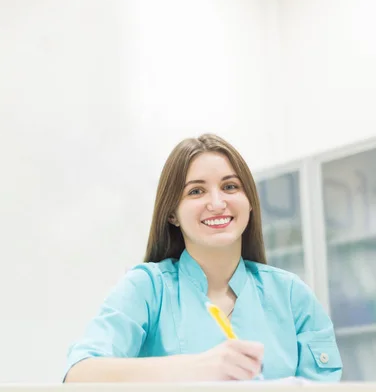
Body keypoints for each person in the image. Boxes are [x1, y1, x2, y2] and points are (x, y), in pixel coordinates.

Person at [63, 133, 342, 383]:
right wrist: (198, 368)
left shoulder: (292, 296)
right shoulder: (146, 289)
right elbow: (79, 375)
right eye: (196, 191)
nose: (217, 203)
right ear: (172, 213)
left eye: (230, 187)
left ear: (250, 203)